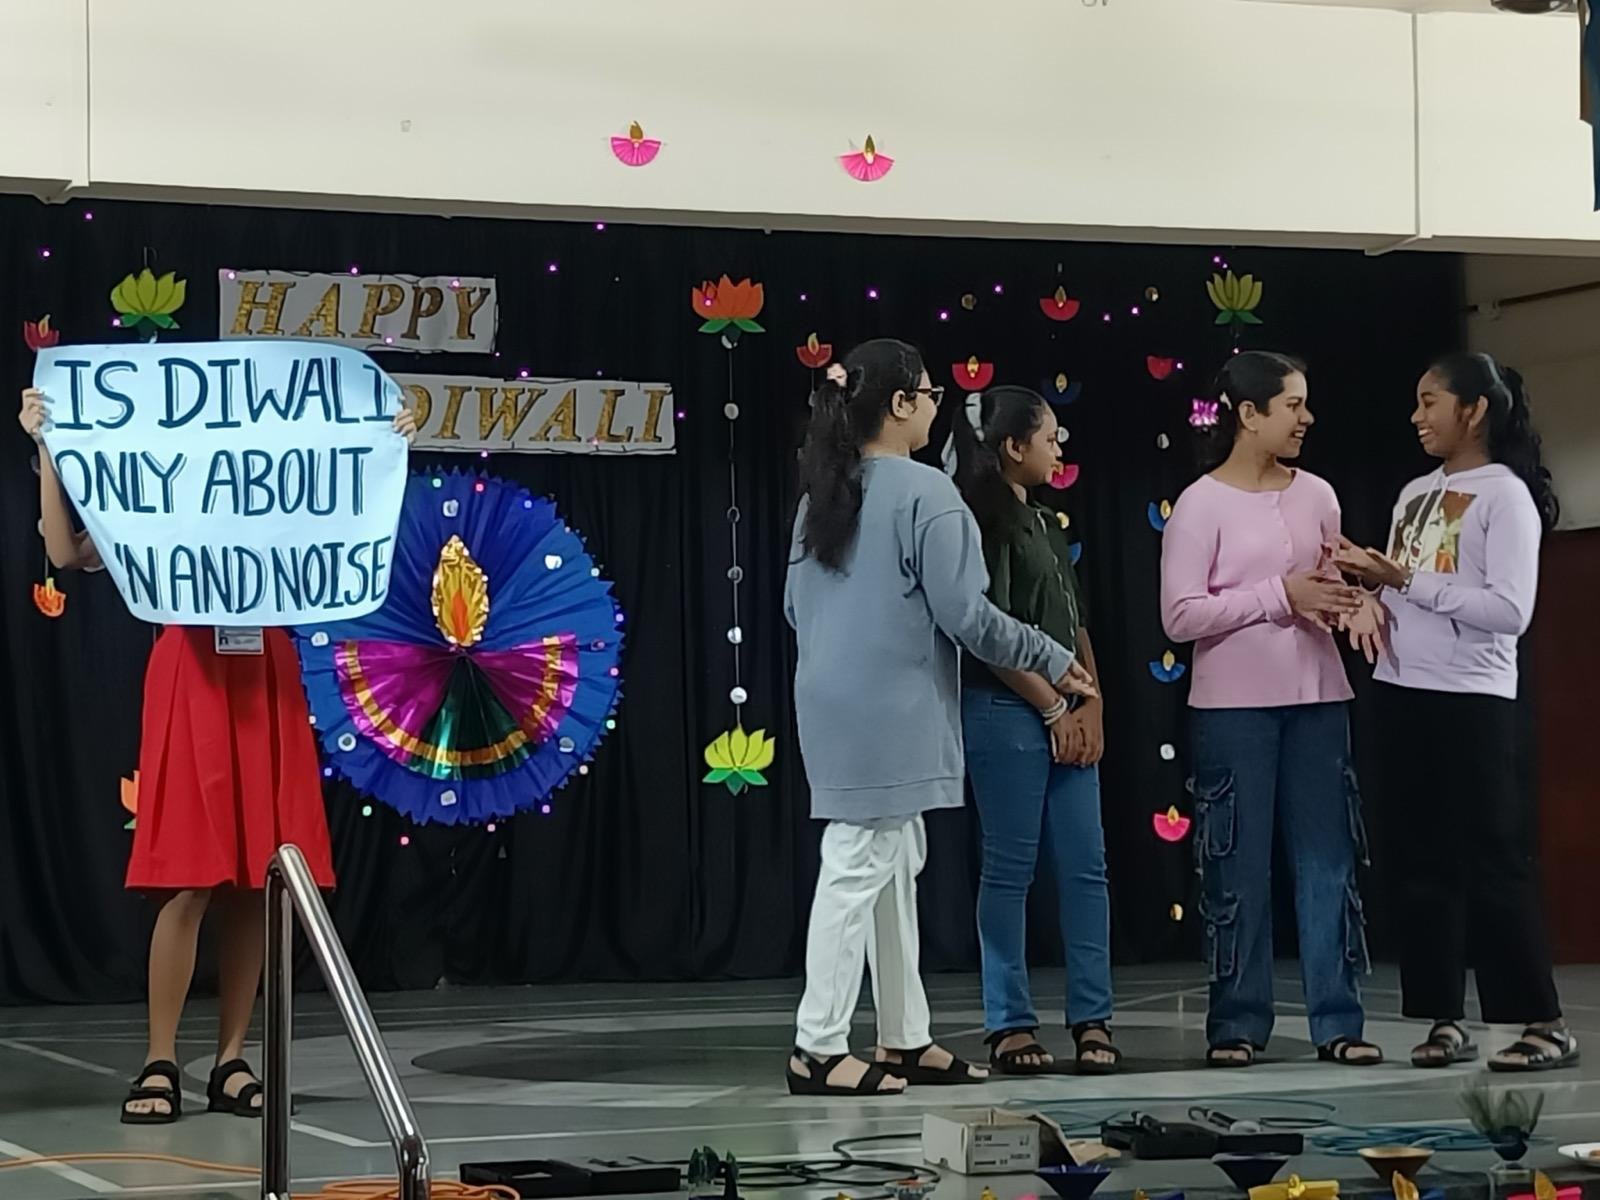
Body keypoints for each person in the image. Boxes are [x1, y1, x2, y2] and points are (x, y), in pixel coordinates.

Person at [18, 386, 417, 1123]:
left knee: (257, 882)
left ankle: (232, 1059)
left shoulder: (279, 499)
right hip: (191, 678)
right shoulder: (155, 503)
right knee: (188, 879)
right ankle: (159, 1059)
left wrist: (387, 441)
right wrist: (47, 448)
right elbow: (65, 552)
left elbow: (357, 524)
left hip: (264, 674)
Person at [783, 341, 1096, 1096]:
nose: (934, 406)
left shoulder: (821, 495)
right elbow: (967, 615)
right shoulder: (926, 490)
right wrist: (1049, 654)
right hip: (890, 703)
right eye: (927, 394)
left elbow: (795, 607)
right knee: (859, 861)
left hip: (828, 696)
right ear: (899, 405)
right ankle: (817, 1046)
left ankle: (904, 1035)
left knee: (895, 860)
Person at [1333, 352, 1574, 1072]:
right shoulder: (1414, 493)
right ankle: (1442, 1016)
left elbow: (1510, 611)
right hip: (1405, 691)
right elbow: (1403, 590)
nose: (1417, 416)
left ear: (1474, 410)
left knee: (1493, 858)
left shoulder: (1506, 497)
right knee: (1420, 859)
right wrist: (1370, 596)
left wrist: (1403, 578)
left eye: (1430, 401)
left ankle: (1541, 1020)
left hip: (1474, 698)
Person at [1159, 351, 1381, 1068]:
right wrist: (1280, 595)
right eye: (1292, 405)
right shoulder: (1200, 504)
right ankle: (1236, 1023)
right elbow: (1180, 615)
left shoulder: (1318, 494)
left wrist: (1354, 603)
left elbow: (1329, 584)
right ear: (1249, 416)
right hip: (1233, 712)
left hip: (1318, 702)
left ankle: (1338, 1021)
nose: (1305, 418)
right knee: (1236, 868)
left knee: (1328, 866)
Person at [951, 385, 1117, 1076]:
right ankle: (1010, 1022)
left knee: (1086, 868)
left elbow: (1074, 621)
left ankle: (1093, 1017)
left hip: (1069, 705)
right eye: (1049, 437)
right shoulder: (976, 524)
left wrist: (1092, 705)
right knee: (1010, 868)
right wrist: (1051, 706)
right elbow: (986, 633)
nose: (1059, 447)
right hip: (1004, 708)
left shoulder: (1048, 521)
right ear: (1013, 446)